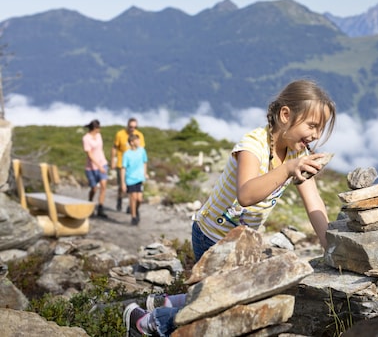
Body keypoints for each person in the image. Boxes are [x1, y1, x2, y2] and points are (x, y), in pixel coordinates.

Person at [123, 79, 337, 337]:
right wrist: (287, 170)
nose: (315, 135)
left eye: (320, 129)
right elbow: (246, 194)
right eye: (312, 125)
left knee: (236, 298)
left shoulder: (294, 155)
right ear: (285, 115)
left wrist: (331, 249)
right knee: (226, 311)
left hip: (243, 244)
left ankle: (175, 301)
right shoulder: (253, 145)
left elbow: (313, 201)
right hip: (211, 237)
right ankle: (147, 322)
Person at [112, 118, 145, 212]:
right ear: (127, 126)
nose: (132, 129)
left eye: (135, 127)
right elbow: (114, 147)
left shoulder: (139, 135)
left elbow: (141, 150)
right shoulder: (120, 134)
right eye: (131, 127)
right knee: (122, 186)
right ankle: (119, 199)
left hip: (134, 167)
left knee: (133, 191)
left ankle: (131, 207)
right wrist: (113, 161)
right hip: (121, 163)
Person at [82, 119, 109, 218]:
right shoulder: (86, 139)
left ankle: (100, 207)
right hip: (91, 167)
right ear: (95, 128)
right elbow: (90, 154)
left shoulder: (98, 136)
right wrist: (98, 166)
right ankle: (90, 203)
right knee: (94, 188)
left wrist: (102, 165)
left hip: (103, 163)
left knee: (103, 185)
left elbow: (99, 149)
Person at [121, 134, 148, 225]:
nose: (139, 142)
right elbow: (123, 168)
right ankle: (133, 217)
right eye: (137, 140)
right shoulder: (126, 154)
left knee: (139, 199)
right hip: (130, 179)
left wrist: (145, 173)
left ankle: (135, 210)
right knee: (133, 198)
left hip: (139, 178)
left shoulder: (142, 151)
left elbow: (144, 162)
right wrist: (123, 183)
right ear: (132, 142)